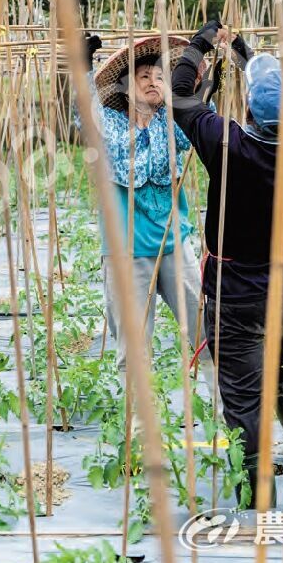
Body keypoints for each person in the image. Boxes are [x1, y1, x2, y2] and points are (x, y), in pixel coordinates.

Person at [169, 19, 283, 508]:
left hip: (236, 293)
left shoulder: (227, 144)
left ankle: (259, 501)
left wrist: (201, 43)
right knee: (279, 370)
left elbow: (181, 95)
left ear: (251, 112)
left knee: (242, 398)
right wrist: (243, 52)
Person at [77, 32, 218, 405]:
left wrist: (205, 76)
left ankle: (227, 417)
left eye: (159, 78)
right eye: (144, 78)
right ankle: (139, 431)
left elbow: (203, 117)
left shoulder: (172, 123)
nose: (154, 83)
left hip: (174, 246)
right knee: (135, 350)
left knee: (205, 335)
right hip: (126, 253)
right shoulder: (109, 124)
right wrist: (83, 68)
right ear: (126, 87)